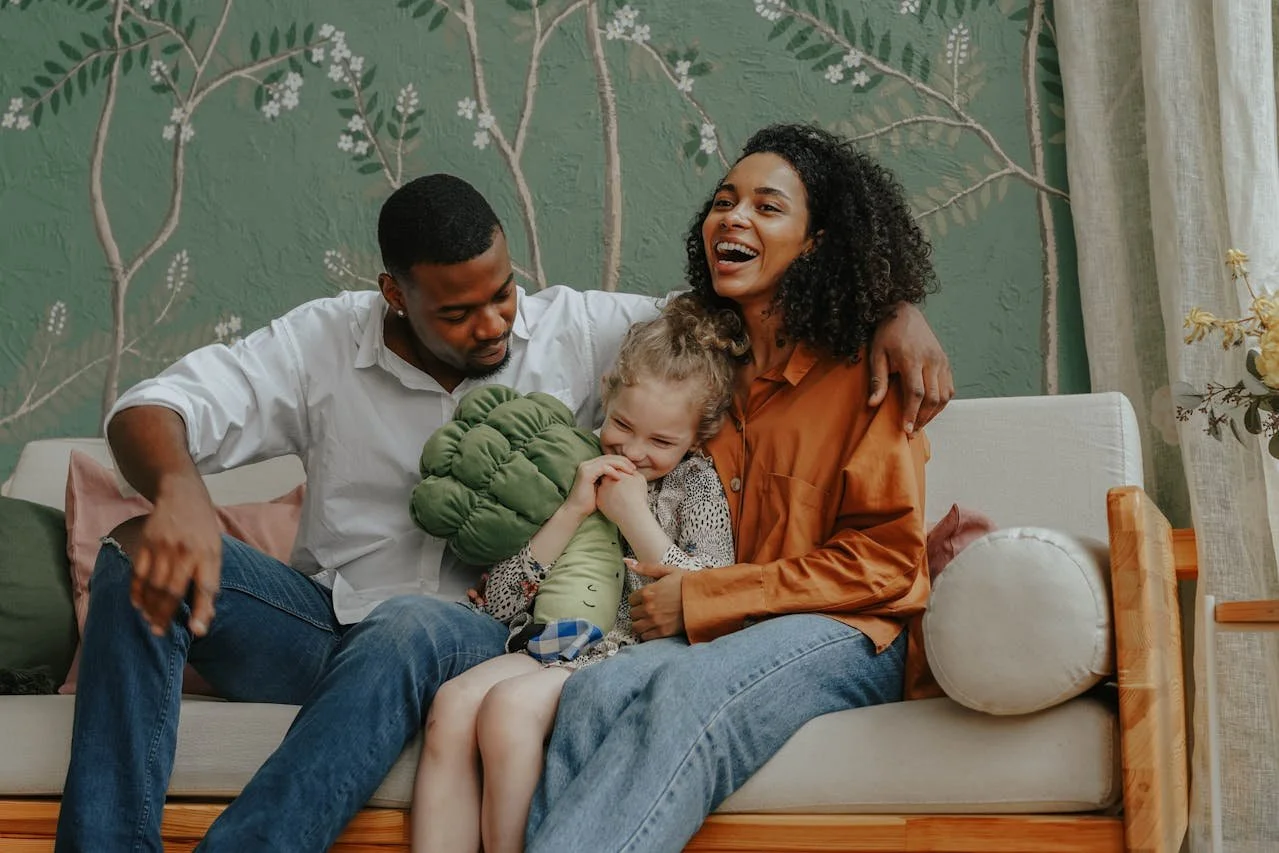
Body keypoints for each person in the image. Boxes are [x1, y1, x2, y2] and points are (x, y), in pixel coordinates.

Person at [54, 170, 951, 852]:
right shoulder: (321, 341)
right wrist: (178, 493)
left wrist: (890, 307)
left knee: (409, 623)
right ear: (393, 293)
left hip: (479, 630)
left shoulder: (581, 329)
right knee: (134, 554)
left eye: (503, 293)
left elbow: (745, 311)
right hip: (324, 625)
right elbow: (154, 405)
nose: (493, 324)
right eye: (460, 310)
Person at [524, 123, 938, 853]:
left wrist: (899, 312)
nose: (734, 217)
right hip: (716, 632)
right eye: (723, 200)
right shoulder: (702, 369)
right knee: (589, 695)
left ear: (815, 242)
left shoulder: (866, 372)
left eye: (767, 206)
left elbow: (889, 565)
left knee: (688, 690)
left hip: (846, 634)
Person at [412, 295, 741, 853]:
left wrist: (637, 520)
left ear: (698, 437)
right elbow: (497, 604)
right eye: (623, 426)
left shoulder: (695, 484)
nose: (633, 452)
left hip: (631, 652)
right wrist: (570, 511)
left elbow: (714, 591)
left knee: (508, 710)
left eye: (662, 442)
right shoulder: (569, 466)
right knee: (452, 704)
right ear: (608, 393)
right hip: (548, 641)